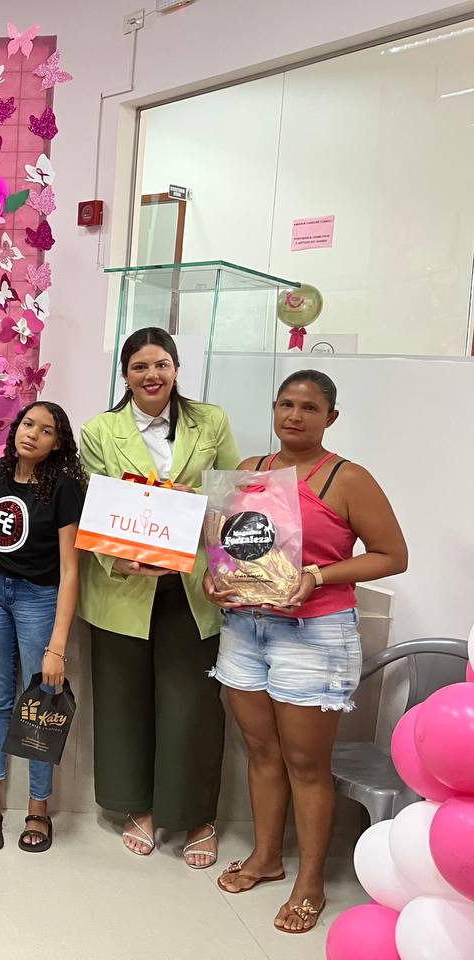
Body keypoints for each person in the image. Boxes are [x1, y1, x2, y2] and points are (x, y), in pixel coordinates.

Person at [206, 370, 406, 934]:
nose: (295, 415)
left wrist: (319, 575)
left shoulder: (347, 478)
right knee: (260, 750)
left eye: (310, 407)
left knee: (307, 764)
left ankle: (310, 882)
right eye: (286, 404)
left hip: (313, 634)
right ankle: (267, 857)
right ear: (274, 409)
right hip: (245, 627)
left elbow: (392, 554)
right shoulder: (250, 471)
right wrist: (213, 579)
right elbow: (228, 545)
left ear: (330, 417)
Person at [79, 327, 240, 869]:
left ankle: (197, 816)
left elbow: (232, 495)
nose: (152, 375)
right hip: (124, 584)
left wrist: (203, 510)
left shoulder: (210, 421)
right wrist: (115, 559)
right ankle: (138, 807)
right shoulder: (101, 430)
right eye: (140, 367)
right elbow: (92, 502)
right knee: (123, 701)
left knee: (193, 704)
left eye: (161, 365)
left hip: (193, 585)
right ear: (125, 375)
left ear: (175, 369)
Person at [0, 401, 85, 853]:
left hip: (40, 596)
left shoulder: (64, 488)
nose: (32, 433)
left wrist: (57, 646)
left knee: (39, 700)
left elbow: (71, 570)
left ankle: (39, 807)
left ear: (57, 443)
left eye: (45, 430)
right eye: (27, 424)